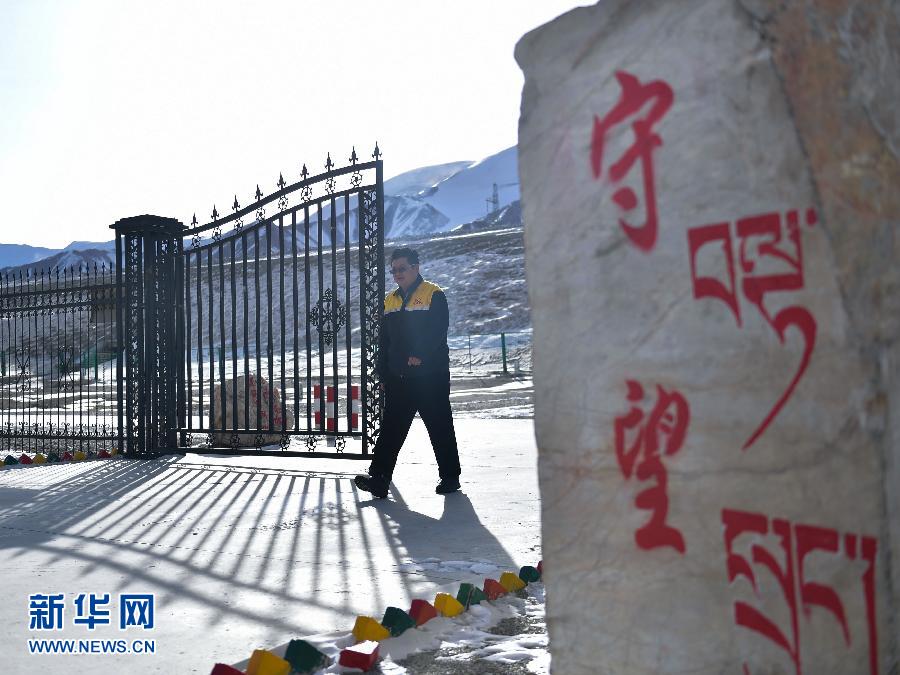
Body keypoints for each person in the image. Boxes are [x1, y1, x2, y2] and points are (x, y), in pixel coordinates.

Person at [354, 247, 461, 499]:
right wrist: (382, 373)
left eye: (402, 268)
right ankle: (379, 478)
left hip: (430, 376)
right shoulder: (390, 300)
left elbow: (438, 329)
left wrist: (420, 354)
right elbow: (384, 341)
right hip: (399, 377)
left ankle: (450, 476)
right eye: (393, 270)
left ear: (416, 267)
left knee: (439, 426)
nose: (397, 274)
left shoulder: (433, 294)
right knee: (391, 428)